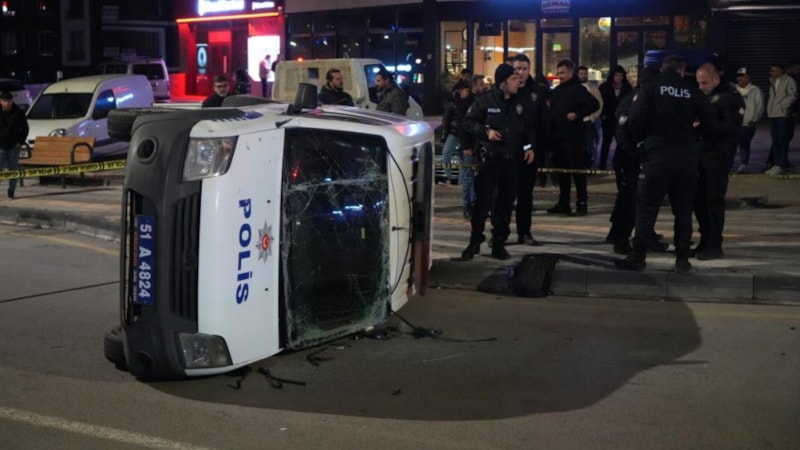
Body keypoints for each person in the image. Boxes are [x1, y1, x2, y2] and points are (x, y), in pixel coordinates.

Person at [616, 55, 717, 273]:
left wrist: (642, 143)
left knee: (647, 208)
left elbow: (635, 118)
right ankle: (682, 259)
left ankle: (639, 256)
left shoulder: (651, 89)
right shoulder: (692, 91)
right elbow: (711, 123)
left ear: (663, 69)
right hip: (686, 157)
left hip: (657, 155)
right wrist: (693, 137)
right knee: (683, 210)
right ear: (682, 70)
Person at [460, 64, 535, 261]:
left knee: (505, 203)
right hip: (489, 160)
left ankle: (499, 243)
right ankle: (475, 241)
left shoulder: (520, 101)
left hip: (511, 161)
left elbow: (526, 128)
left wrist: (528, 148)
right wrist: (486, 132)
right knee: (482, 203)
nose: (518, 81)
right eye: (513, 79)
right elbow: (468, 122)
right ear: (502, 83)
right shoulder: (485, 100)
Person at [606, 67, 663, 256]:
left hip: (640, 156)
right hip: (629, 157)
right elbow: (622, 130)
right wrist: (636, 150)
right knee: (629, 199)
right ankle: (620, 238)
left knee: (640, 199)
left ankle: (639, 234)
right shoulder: (634, 99)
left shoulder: (647, 98)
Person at [692, 63, 745, 261]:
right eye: (699, 83)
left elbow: (729, 128)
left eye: (704, 82)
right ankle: (705, 240)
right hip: (703, 153)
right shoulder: (708, 96)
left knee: (713, 200)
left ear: (716, 79)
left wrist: (702, 127)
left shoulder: (730, 97)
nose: (701, 87)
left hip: (719, 155)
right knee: (699, 199)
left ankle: (714, 243)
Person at [546, 59, 599, 217]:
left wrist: (577, 115)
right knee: (562, 172)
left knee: (576, 172)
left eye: (562, 73)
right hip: (559, 138)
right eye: (558, 72)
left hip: (573, 138)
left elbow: (594, 104)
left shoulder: (578, 89)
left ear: (570, 72)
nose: (559, 75)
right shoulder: (557, 91)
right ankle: (564, 203)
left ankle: (582, 203)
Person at [512, 54, 548, 246]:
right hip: (507, 151)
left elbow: (541, 123)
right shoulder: (506, 90)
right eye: (517, 68)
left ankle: (524, 233)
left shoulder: (536, 92)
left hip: (529, 152)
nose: (521, 73)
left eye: (524, 69)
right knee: (503, 195)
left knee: (525, 195)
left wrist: (538, 149)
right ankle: (498, 234)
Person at [457, 74, 487, 219]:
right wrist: (466, 146)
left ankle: (475, 205)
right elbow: (463, 127)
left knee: (477, 178)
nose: (484, 87)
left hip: (478, 144)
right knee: (468, 177)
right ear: (474, 86)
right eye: (481, 84)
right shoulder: (467, 103)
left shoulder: (479, 101)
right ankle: (467, 206)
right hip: (470, 146)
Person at [598, 65, 633, 171]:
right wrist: (603, 114)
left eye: (621, 75)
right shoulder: (605, 87)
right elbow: (600, 102)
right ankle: (602, 164)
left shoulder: (627, 88)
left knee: (621, 142)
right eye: (616, 75)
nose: (618, 78)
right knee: (606, 142)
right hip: (608, 118)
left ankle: (619, 163)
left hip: (621, 119)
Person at [765, 63, 797, 175]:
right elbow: (771, 98)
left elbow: (793, 95)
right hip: (773, 115)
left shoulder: (789, 80)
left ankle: (781, 164)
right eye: (771, 70)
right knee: (775, 141)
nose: (771, 73)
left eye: (773, 71)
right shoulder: (772, 81)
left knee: (783, 141)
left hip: (782, 116)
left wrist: (782, 106)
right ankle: (776, 164)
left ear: (780, 71)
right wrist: (769, 110)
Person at [733, 67, 764, 174]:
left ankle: (743, 165)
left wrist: (754, 119)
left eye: (742, 76)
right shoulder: (733, 89)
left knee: (744, 144)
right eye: (738, 76)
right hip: (733, 123)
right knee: (730, 144)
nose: (739, 79)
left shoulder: (755, 90)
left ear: (748, 77)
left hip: (747, 123)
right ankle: (728, 164)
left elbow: (759, 106)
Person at [0, 90, 29, 199]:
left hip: (13, 146)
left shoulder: (18, 113)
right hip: (1, 146)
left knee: (13, 169)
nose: (7, 103)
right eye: (4, 101)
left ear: (12, 101)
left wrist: (20, 142)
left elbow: (25, 129)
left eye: (9, 101)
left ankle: (11, 190)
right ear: (1, 102)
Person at [440, 83, 469, 189]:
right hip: (454, 132)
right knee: (446, 153)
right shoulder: (453, 104)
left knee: (463, 157)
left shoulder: (469, 102)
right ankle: (449, 177)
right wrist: (444, 134)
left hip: (464, 134)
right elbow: (446, 120)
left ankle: (461, 181)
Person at [577, 66, 604, 168]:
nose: (583, 75)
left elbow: (600, 104)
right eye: (581, 73)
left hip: (589, 121)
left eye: (585, 73)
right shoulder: (574, 88)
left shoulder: (592, 88)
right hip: (577, 122)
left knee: (589, 144)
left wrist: (594, 116)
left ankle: (587, 164)